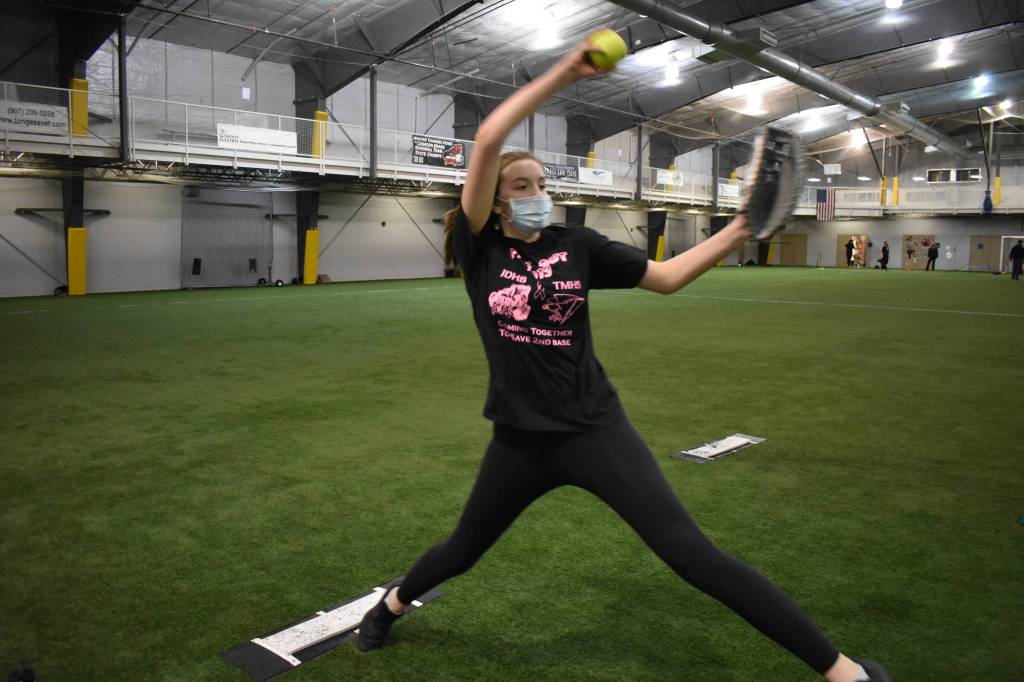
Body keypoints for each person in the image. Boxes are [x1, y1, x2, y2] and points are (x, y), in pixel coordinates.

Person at [355, 32, 890, 682]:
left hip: (594, 430)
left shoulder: (576, 244)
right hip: (519, 442)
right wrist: (564, 74)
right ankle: (392, 603)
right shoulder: (479, 251)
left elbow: (665, 277)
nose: (534, 192)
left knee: (691, 553)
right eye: (519, 186)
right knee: (463, 549)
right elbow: (491, 137)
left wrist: (740, 228)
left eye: (540, 183)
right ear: (493, 202)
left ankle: (843, 673)